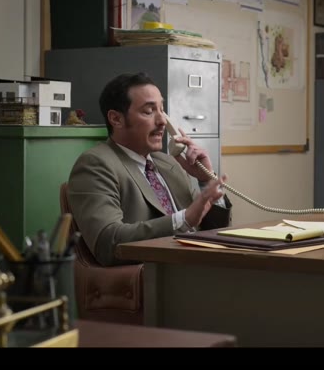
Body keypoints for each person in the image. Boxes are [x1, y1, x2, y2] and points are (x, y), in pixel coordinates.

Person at [67, 72, 231, 266]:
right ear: (116, 119)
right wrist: (183, 219)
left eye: (162, 110)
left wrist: (206, 180)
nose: (162, 121)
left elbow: (215, 229)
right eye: (149, 111)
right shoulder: (95, 164)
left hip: (200, 266)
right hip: (160, 273)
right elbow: (107, 242)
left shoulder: (168, 163)